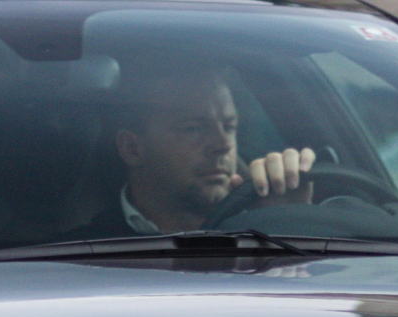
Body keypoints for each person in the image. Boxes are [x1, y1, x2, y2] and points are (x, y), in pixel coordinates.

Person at [80, 54, 316, 237]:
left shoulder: (260, 229)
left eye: (229, 126)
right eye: (193, 128)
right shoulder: (79, 258)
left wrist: (285, 224)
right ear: (132, 148)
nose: (223, 145)